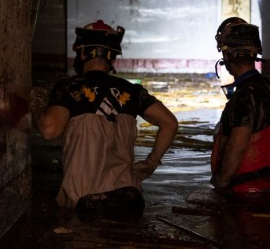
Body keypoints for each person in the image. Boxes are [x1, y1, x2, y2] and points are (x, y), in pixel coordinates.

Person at [32, 20, 178, 215]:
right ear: (112, 58)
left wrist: (36, 104)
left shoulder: (70, 87)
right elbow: (170, 123)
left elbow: (50, 130)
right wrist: (151, 163)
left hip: (83, 200)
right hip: (128, 197)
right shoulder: (133, 91)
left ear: (82, 52)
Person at [210, 17, 270, 208]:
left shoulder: (243, 97)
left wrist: (221, 185)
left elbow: (238, 143)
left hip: (244, 190)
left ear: (228, 57)